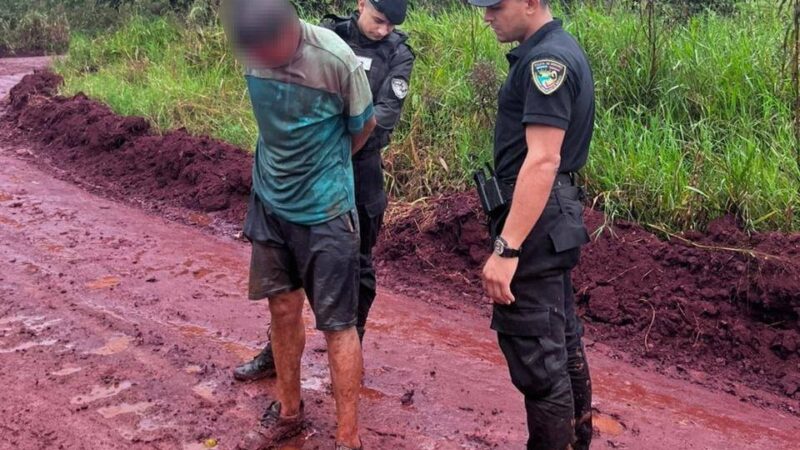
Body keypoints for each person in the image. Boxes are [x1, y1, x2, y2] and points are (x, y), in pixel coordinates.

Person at [234, 0, 414, 382]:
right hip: (305, 175)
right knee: (288, 275)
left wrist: (334, 151)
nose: (384, 31)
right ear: (361, 3)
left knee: (358, 267)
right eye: (379, 21)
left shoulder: (399, 54)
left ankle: (350, 356)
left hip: (360, 171)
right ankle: (275, 353)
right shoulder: (327, 35)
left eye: (391, 25)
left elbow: (382, 117)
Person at [222, 1, 376, 449]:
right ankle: (289, 412)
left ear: (293, 25)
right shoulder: (250, 47)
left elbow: (363, 127)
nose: (262, 53)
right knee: (282, 308)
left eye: (272, 43)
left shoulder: (336, 60)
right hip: (270, 202)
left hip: (327, 212)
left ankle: (348, 438)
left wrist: (325, 167)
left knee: (338, 323)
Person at [467, 1, 594, 449]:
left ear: (530, 3)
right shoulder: (553, 49)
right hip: (549, 211)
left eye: (495, 6)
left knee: (539, 363)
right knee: (560, 339)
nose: (487, 16)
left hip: (535, 218)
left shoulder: (547, 62)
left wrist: (507, 249)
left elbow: (542, 159)